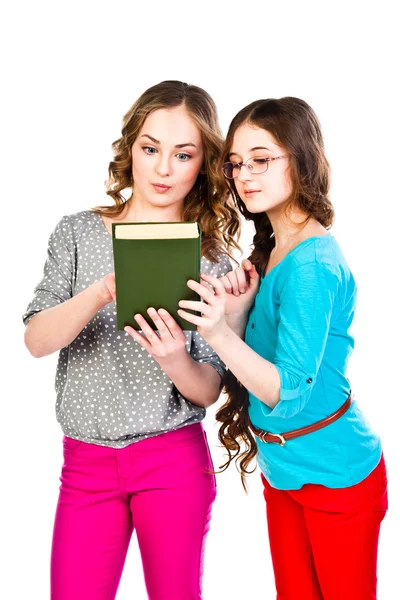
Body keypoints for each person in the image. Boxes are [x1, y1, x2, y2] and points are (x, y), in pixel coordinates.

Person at [23, 80, 240, 600]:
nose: (164, 169)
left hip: (172, 461)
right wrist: (98, 294)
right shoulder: (77, 233)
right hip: (86, 464)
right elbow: (35, 339)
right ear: (131, 150)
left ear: (203, 163)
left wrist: (173, 358)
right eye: (151, 149)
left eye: (183, 154)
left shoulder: (212, 259)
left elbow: (209, 391)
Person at [177, 97, 388, 600]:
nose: (244, 174)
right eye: (236, 162)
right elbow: (262, 361)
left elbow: (289, 389)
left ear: (301, 157)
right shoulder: (275, 247)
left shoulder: (312, 265)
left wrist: (218, 333)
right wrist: (236, 315)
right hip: (285, 470)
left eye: (262, 158)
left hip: (337, 475)